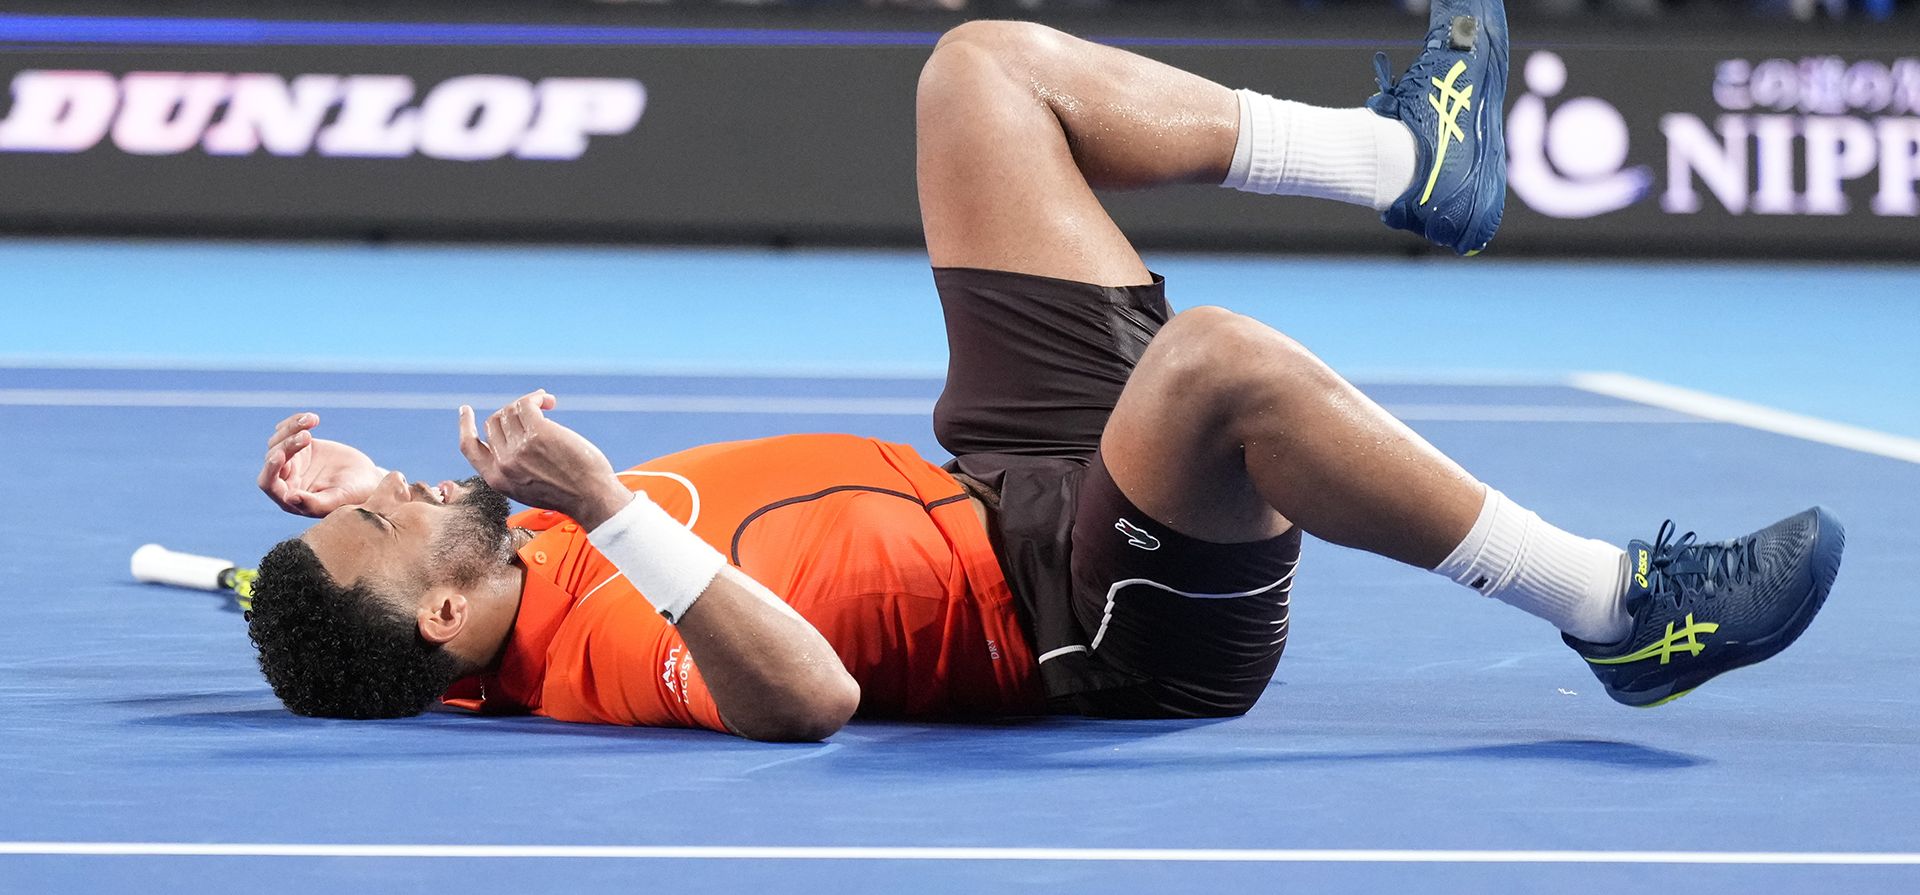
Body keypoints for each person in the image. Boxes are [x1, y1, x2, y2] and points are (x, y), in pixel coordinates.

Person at [244, 0, 1845, 741]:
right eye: (393, 522)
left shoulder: (487, 574)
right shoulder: (602, 651)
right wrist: (608, 505)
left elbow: (400, 580)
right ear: (443, 619)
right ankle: (1620, 611)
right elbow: (808, 700)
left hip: (996, 473)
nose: (410, 491)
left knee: (980, 75)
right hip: (1084, 612)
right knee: (1217, 364)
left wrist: (354, 495)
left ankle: (1398, 160)